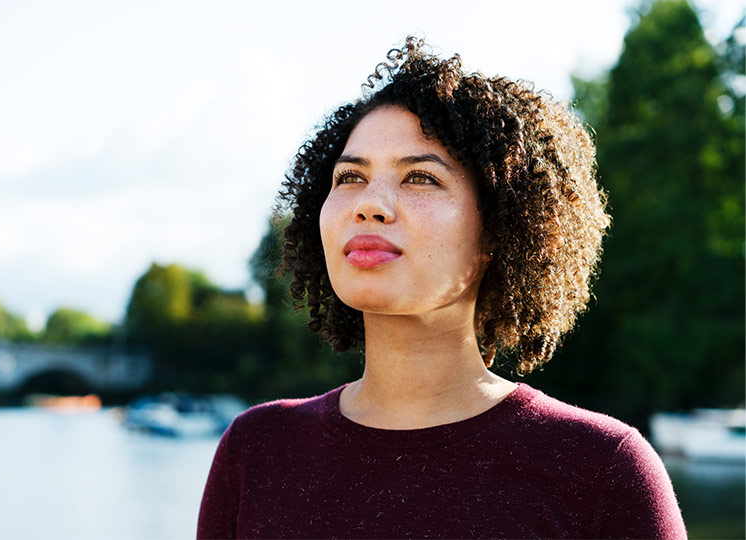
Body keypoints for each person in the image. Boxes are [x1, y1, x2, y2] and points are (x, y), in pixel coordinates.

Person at [197, 37, 687, 539]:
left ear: (500, 229)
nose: (370, 204)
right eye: (349, 177)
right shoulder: (255, 450)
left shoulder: (604, 470)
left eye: (420, 179)